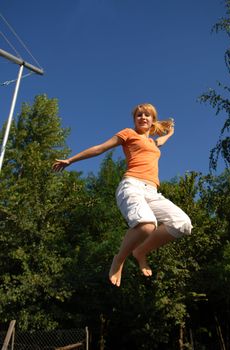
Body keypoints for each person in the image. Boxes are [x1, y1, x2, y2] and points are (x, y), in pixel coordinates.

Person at [52, 103, 192, 287]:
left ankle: (140, 252)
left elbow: (161, 141)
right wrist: (71, 160)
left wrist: (170, 133)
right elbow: (100, 148)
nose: (142, 117)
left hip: (152, 192)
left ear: (152, 121)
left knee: (183, 224)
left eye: (147, 115)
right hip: (131, 186)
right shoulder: (128, 133)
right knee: (146, 225)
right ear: (134, 120)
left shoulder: (152, 142)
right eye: (139, 115)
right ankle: (119, 259)